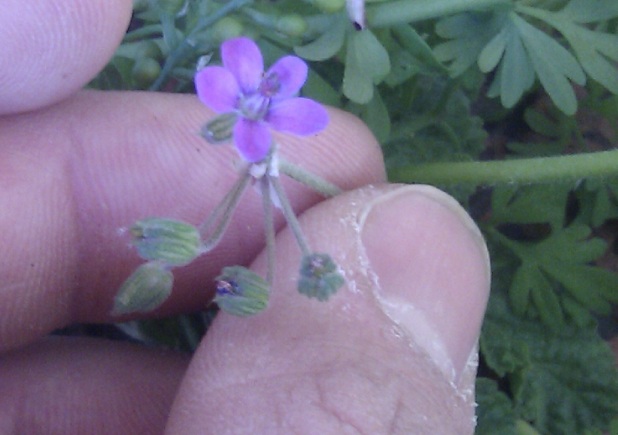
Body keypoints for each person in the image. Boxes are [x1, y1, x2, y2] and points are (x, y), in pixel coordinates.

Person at [0, 1, 490, 433]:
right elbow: (243, 107)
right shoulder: (241, 118)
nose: (259, 98)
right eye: (251, 99)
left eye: (264, 96)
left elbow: (290, 112)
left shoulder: (271, 122)